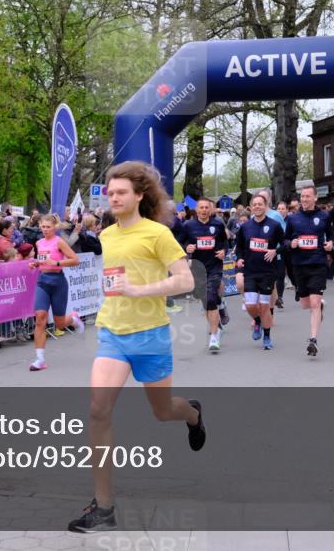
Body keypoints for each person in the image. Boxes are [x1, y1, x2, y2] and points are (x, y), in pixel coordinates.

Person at [68, 162, 203, 533]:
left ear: (140, 195)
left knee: (162, 411)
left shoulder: (157, 233)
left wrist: (139, 290)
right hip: (113, 331)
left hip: (150, 334)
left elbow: (185, 280)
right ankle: (104, 507)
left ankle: (192, 414)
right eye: (110, 192)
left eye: (121, 191)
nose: (113, 197)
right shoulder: (108, 235)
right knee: (98, 409)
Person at [284, 185, 334, 357]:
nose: (304, 199)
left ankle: (313, 339)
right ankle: (319, 305)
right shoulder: (293, 219)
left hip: (318, 263)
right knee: (306, 304)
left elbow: (332, 236)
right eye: (302, 196)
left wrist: (331, 244)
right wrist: (290, 244)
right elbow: (284, 240)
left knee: (313, 303)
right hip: (299, 265)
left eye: (308, 196)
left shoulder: (323, 216)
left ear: (315, 198)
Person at [27, 214, 80, 370]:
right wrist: (35, 264)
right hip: (43, 282)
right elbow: (42, 260)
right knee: (40, 318)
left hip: (58, 282)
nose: (45, 229)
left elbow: (75, 259)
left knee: (59, 324)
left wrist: (57, 262)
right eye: (43, 227)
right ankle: (40, 359)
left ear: (54, 227)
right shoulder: (39, 242)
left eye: (48, 227)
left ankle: (74, 318)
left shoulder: (60, 242)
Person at [234, 194, 282, 350]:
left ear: (266, 205)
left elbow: (286, 242)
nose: (257, 207)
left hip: (268, 271)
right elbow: (239, 246)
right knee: (250, 305)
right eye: (254, 204)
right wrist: (239, 258)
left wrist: (276, 250)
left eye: (260, 204)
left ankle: (267, 337)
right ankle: (258, 321)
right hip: (250, 271)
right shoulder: (246, 226)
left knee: (264, 306)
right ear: (250, 207)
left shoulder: (274, 225)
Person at [182, 197, 229, 352]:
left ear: (210, 209)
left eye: (206, 208)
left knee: (210, 297)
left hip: (215, 266)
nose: (203, 210)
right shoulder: (188, 225)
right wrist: (186, 247)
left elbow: (224, 243)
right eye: (200, 208)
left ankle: (214, 335)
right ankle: (219, 313)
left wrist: (224, 251)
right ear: (196, 210)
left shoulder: (217, 224)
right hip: (198, 268)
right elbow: (179, 243)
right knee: (206, 301)